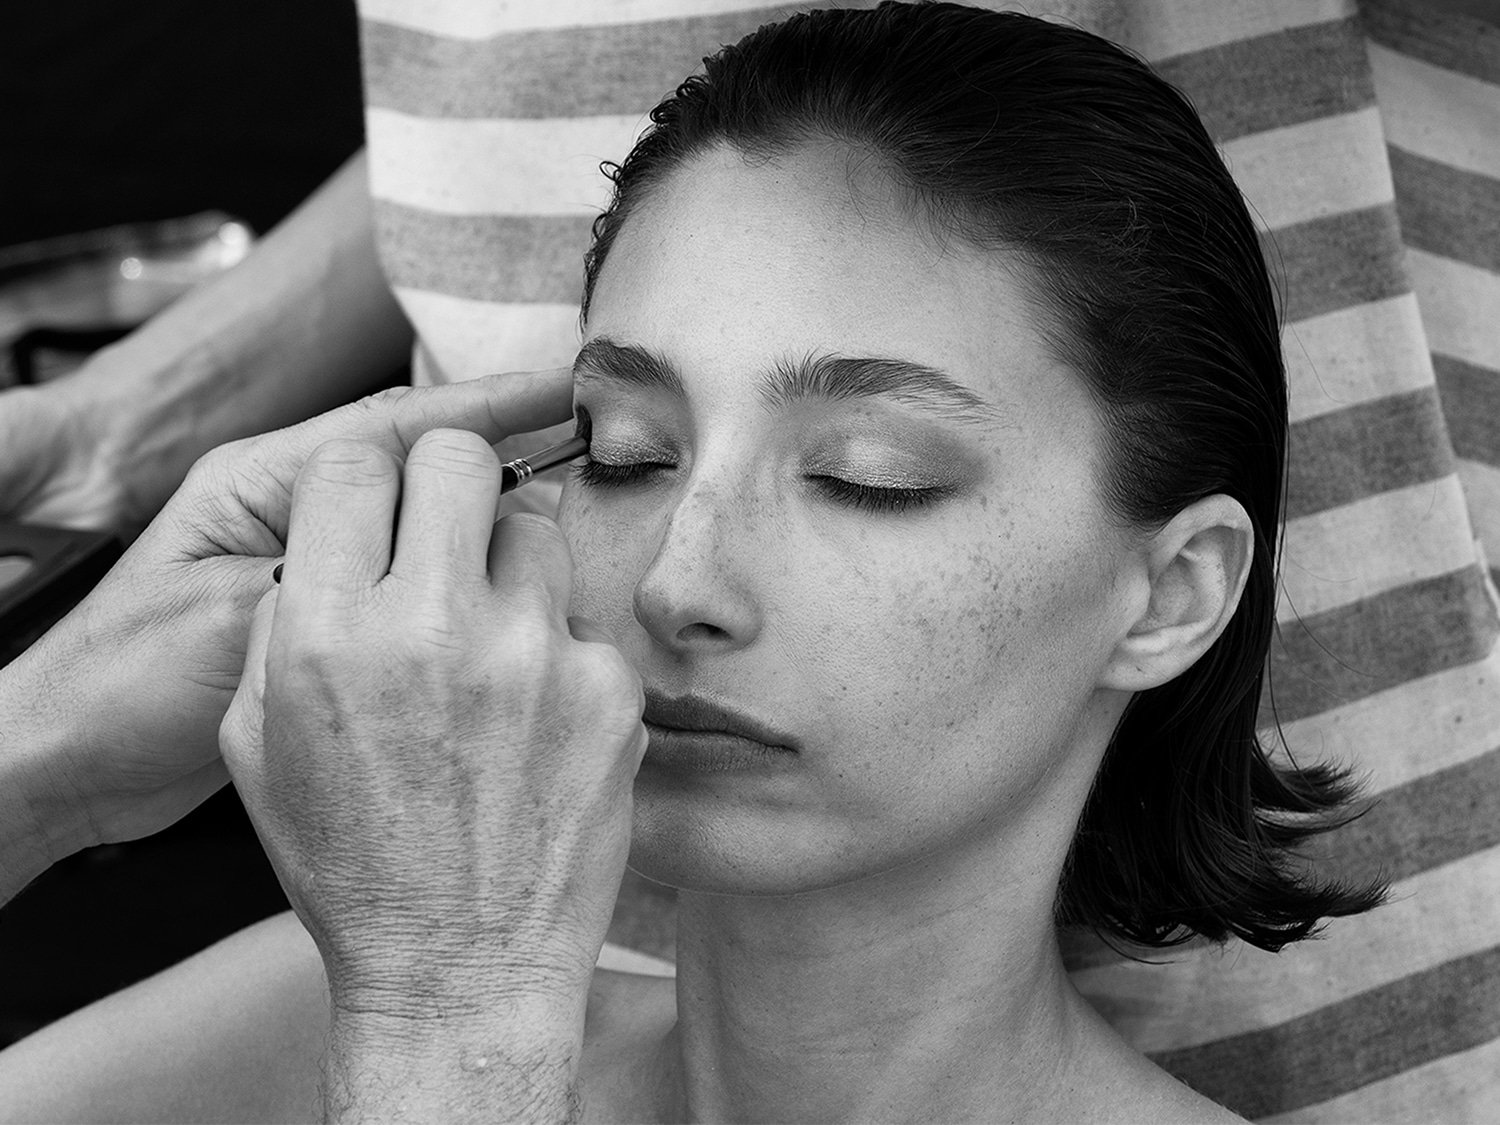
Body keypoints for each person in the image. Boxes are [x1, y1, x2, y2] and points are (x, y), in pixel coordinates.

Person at [0, 6, 1393, 1121]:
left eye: (866, 474)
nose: (679, 581)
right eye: (624, 452)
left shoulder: (413, 1002)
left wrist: (450, 1035)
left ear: (1173, 592)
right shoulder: (299, 1028)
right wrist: (44, 755)